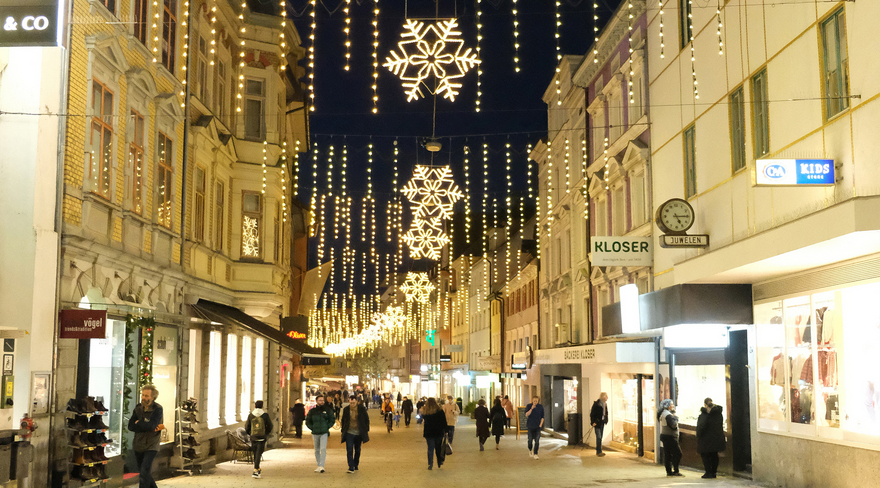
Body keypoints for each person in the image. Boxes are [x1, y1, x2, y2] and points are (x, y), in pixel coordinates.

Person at [128, 385, 164, 488]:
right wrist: (143, 425)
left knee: (144, 471)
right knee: (144, 472)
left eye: (147, 396)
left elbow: (152, 426)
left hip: (151, 445)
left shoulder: (157, 409)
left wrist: (138, 423)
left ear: (153, 397)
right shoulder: (138, 408)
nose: (144, 398)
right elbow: (130, 426)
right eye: (143, 395)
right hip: (138, 444)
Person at [697, 397, 726, 479]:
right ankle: (713, 472)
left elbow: (701, 427)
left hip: (706, 439)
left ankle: (708, 472)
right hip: (717, 439)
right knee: (714, 455)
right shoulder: (718, 414)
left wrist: (698, 435)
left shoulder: (704, 415)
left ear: (705, 405)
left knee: (705, 456)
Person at [305, 394, 335, 473]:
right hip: (315, 432)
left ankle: (322, 465)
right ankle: (319, 464)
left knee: (323, 449)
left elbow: (332, 419)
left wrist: (327, 427)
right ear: (317, 401)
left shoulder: (327, 410)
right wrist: (313, 427)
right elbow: (308, 421)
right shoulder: (313, 411)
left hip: (324, 432)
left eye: (322, 400)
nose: (322, 402)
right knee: (316, 450)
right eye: (320, 400)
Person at [340, 395, 370, 473]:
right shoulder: (346, 409)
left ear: (356, 401)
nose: (352, 404)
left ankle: (355, 464)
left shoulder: (361, 408)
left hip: (358, 433)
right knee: (349, 449)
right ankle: (351, 467)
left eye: (353, 403)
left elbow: (366, 419)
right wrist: (343, 429)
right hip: (349, 432)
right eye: (351, 403)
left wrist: (366, 429)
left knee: (357, 450)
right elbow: (343, 420)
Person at [245, 400, 273, 479]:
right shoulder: (265, 415)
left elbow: (247, 427)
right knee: (259, 453)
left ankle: (257, 468)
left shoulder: (251, 415)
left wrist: (250, 433)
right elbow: (270, 426)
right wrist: (266, 433)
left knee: (255, 453)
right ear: (262, 406)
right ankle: (256, 470)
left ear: (255, 406)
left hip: (253, 437)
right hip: (262, 437)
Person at [658, 399, 683, 477]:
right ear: (668, 406)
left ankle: (669, 471)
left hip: (665, 436)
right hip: (670, 437)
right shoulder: (668, 415)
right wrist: (675, 418)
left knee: (668, 454)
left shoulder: (663, 414)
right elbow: (673, 426)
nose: (673, 406)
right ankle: (675, 470)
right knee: (677, 453)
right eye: (671, 404)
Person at [422, 398, 448, 470]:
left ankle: (430, 464)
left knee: (430, 448)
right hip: (438, 432)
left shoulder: (425, 411)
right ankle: (439, 462)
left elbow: (422, 419)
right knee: (438, 447)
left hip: (429, 432)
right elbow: (444, 421)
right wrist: (446, 430)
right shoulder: (440, 411)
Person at [590, 392, 609, 457]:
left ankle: (599, 450)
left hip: (602, 422)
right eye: (606, 396)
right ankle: (598, 451)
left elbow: (606, 413)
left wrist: (606, 420)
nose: (607, 398)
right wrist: (593, 422)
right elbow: (592, 414)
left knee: (600, 437)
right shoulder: (596, 404)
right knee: (599, 436)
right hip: (597, 423)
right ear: (603, 397)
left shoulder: (605, 404)